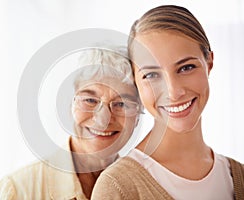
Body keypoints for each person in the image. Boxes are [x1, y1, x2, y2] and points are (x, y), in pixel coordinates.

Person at [91, 5, 244, 200]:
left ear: (209, 63)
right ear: (136, 82)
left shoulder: (238, 176)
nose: (173, 92)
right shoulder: (118, 187)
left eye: (186, 67)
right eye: (152, 75)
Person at [0, 47, 142, 199]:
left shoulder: (144, 191)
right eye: (90, 100)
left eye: (122, 104)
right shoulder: (18, 190)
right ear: (70, 105)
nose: (103, 120)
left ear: (138, 116)